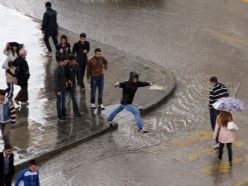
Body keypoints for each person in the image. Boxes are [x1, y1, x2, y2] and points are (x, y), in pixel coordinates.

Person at [209, 76, 229, 148]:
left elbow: (211, 102)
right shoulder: (223, 87)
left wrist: (210, 109)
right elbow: (227, 96)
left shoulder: (213, 90)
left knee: (215, 125)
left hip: (216, 110)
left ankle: (218, 142)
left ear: (212, 82)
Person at [54, 57, 67, 121]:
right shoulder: (57, 70)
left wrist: (65, 83)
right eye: (63, 62)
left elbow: (63, 78)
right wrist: (58, 90)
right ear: (60, 62)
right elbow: (56, 81)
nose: (64, 63)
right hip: (59, 89)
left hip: (63, 88)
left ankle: (63, 113)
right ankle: (59, 116)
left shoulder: (63, 68)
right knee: (59, 103)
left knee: (63, 101)